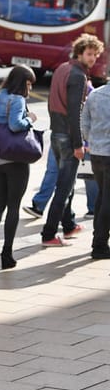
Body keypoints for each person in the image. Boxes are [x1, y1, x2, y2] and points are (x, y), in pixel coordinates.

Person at [40, 33, 104, 247]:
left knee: (64, 182)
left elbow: (51, 103)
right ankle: (49, 234)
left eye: (95, 54)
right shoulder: (78, 76)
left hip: (56, 134)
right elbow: (76, 112)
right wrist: (79, 144)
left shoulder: (61, 69)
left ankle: (68, 226)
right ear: (79, 52)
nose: (93, 58)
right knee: (65, 187)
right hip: (69, 139)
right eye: (89, 53)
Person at [0, 65, 38, 270]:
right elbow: (15, 125)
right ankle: (7, 254)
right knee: (13, 206)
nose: (29, 88)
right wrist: (29, 120)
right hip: (15, 160)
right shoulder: (18, 100)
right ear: (22, 83)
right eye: (29, 84)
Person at [82, 82, 110, 259]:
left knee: (102, 195)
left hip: (96, 154)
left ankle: (97, 240)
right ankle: (99, 245)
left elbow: (84, 124)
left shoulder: (95, 94)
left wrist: (91, 141)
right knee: (107, 199)